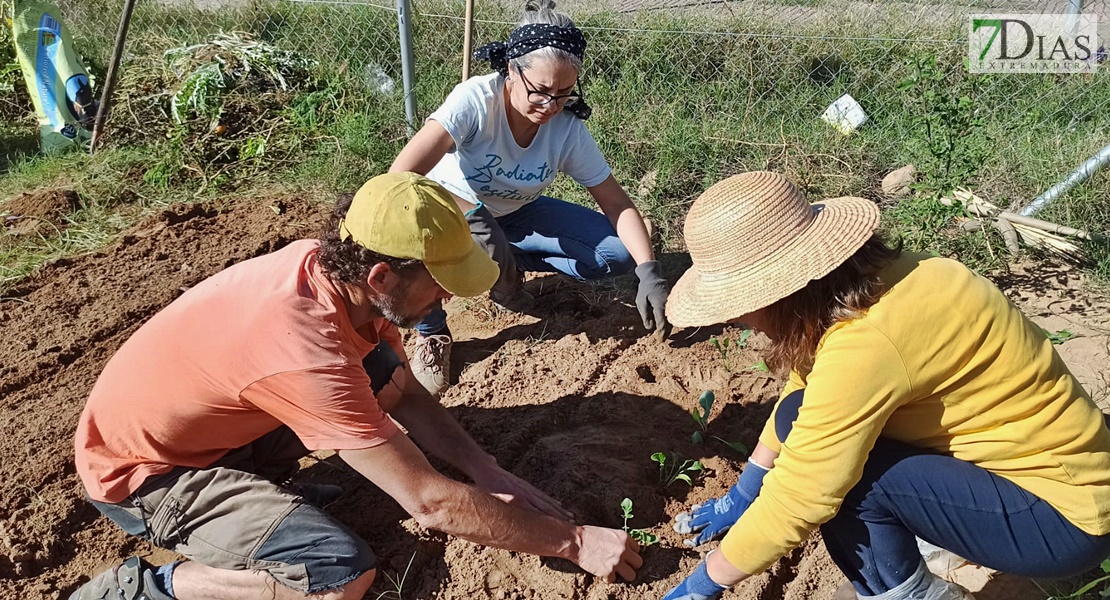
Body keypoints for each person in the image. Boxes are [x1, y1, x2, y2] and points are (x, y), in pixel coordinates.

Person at [68, 173, 642, 600]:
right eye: (439, 284)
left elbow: (407, 392)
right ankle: (149, 588)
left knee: (375, 376)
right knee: (335, 575)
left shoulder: (338, 280)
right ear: (382, 275)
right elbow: (431, 504)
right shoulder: (302, 347)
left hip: (210, 431)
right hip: (145, 475)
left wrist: (486, 471)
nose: (446, 298)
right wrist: (571, 542)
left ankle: (259, 493)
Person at [660, 171, 1110, 600]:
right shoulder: (894, 278)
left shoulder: (868, 343)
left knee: (853, 482)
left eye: (739, 303)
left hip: (1064, 522)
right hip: (1065, 472)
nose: (733, 317)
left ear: (784, 291)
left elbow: (804, 495)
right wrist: (745, 491)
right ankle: (940, 532)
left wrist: (702, 583)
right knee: (808, 417)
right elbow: (808, 388)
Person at [388, 0, 670, 396]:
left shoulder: (566, 127)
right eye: (539, 91)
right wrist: (468, 212)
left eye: (564, 93)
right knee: (406, 242)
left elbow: (617, 203)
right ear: (511, 69)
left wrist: (648, 270)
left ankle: (503, 269)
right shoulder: (475, 101)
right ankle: (432, 333)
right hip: (445, 214)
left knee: (617, 254)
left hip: (518, 213)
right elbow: (399, 176)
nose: (550, 105)